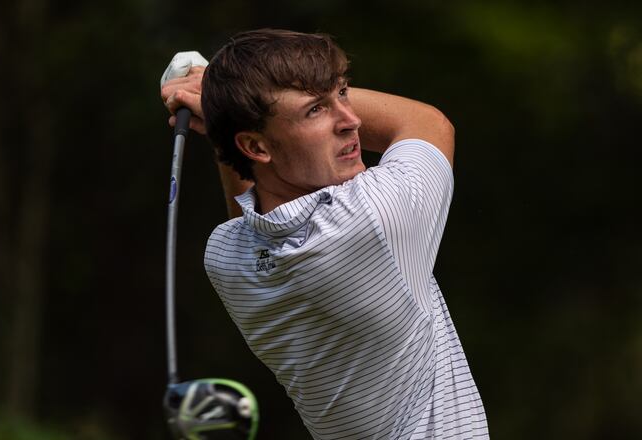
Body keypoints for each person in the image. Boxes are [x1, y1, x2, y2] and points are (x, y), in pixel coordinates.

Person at [161, 29, 488, 439]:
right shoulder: (373, 217)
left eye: (343, 93)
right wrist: (216, 94)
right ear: (257, 147)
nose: (351, 120)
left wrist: (227, 111)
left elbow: (251, 202)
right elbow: (425, 122)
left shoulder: (226, 258)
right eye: (316, 110)